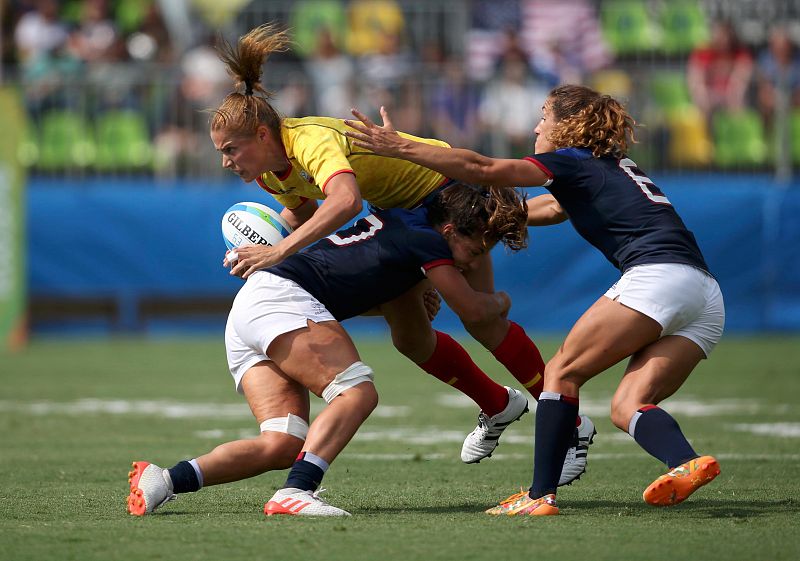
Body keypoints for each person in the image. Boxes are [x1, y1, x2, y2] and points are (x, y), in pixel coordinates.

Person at [207, 23, 596, 476]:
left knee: (481, 317)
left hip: (443, 193)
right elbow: (303, 213)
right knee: (411, 337)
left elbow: (345, 201)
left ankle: (570, 423)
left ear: (261, 134)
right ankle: (498, 404)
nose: (225, 161)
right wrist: (254, 247)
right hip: (403, 216)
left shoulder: (308, 139)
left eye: (230, 149)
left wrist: (276, 255)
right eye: (220, 151)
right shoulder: (269, 173)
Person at [344, 83, 725, 515]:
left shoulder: (574, 160)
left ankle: (538, 495)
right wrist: (484, 217)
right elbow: (548, 210)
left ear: (567, 127)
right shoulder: (607, 167)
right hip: (705, 296)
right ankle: (685, 461)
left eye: (544, 116)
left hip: (658, 276)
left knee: (560, 373)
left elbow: (483, 167)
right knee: (627, 406)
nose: (536, 125)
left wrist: (402, 147)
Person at [128, 182, 528, 517]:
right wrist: (503, 301)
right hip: (282, 301)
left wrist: (407, 293)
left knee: (282, 443)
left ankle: (164, 480)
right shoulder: (428, 241)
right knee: (356, 393)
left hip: (254, 308)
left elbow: (354, 284)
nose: (474, 260)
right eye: (475, 250)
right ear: (450, 229)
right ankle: (296, 492)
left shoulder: (402, 222)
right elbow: (473, 308)